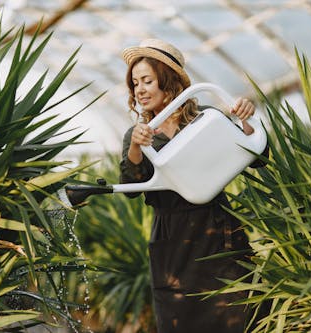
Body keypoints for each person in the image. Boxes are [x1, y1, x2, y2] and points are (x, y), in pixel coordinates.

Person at [119, 39, 266, 333]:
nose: (140, 90)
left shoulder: (206, 119)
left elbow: (257, 157)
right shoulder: (139, 136)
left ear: (169, 82)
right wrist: (136, 147)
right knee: (180, 318)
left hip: (218, 229)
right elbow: (132, 188)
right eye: (135, 83)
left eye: (147, 80)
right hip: (173, 241)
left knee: (240, 312)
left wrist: (246, 120)